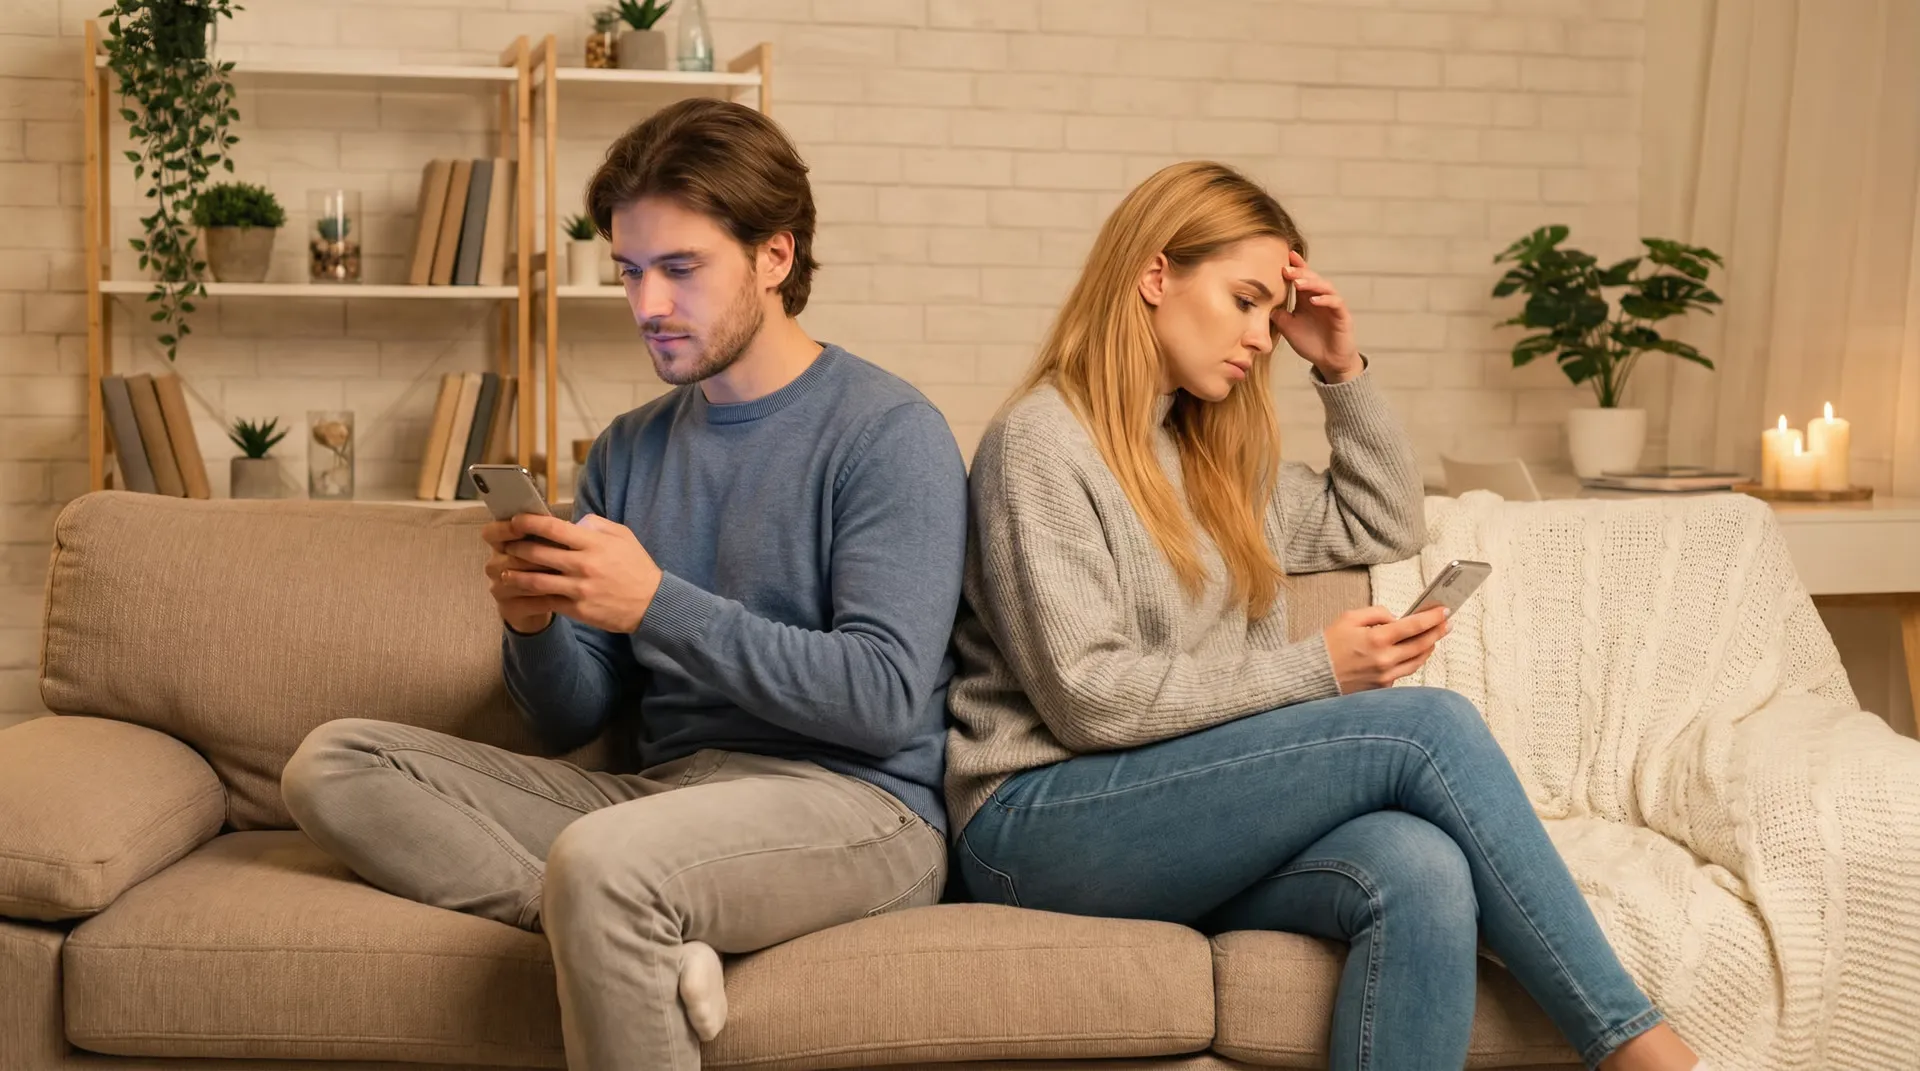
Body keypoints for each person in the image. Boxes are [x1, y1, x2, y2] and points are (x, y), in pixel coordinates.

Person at [944, 161, 1706, 1071]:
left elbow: (1383, 518)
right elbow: (1089, 701)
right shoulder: (1040, 443)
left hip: (1176, 816)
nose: (1262, 337)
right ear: (1154, 277)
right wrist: (1318, 670)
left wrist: (1340, 366)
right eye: (1244, 300)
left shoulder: (1205, 455)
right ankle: (1637, 1048)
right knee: (1425, 731)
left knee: (1421, 868)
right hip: (1037, 821)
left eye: (1272, 313)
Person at [281, 98, 967, 1071]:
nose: (647, 305)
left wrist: (657, 602)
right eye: (630, 272)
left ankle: (614, 913)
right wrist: (532, 626)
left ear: (776, 257)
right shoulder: (629, 449)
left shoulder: (889, 432)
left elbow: (882, 699)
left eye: (681, 270)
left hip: (854, 806)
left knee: (606, 864)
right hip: (660, 800)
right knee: (334, 763)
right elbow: (571, 722)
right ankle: (633, 939)